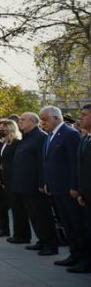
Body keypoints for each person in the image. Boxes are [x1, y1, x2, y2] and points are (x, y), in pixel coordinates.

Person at [39, 105, 85, 267]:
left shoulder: (70, 134)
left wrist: (74, 186)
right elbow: (48, 162)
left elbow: (75, 163)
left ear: (57, 118)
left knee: (76, 224)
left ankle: (83, 258)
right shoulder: (49, 135)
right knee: (66, 224)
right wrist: (46, 182)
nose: (42, 122)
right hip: (55, 187)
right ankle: (74, 254)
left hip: (68, 189)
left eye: (45, 119)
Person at [14, 112, 58, 256]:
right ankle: (41, 240)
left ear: (33, 122)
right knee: (33, 215)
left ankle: (51, 244)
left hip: (35, 185)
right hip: (24, 184)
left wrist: (42, 182)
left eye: (22, 120)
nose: (19, 122)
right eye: (20, 120)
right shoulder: (25, 137)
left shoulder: (40, 137)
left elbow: (42, 162)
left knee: (43, 215)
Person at [0, 119, 31, 243]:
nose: (1, 130)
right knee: (15, 209)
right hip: (7, 179)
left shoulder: (17, 143)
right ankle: (18, 234)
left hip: (14, 179)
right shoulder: (5, 143)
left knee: (19, 209)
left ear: (10, 129)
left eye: (4, 128)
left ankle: (23, 235)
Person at [72, 104, 91, 273]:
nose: (81, 117)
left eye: (85, 115)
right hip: (85, 194)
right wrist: (80, 190)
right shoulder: (85, 138)